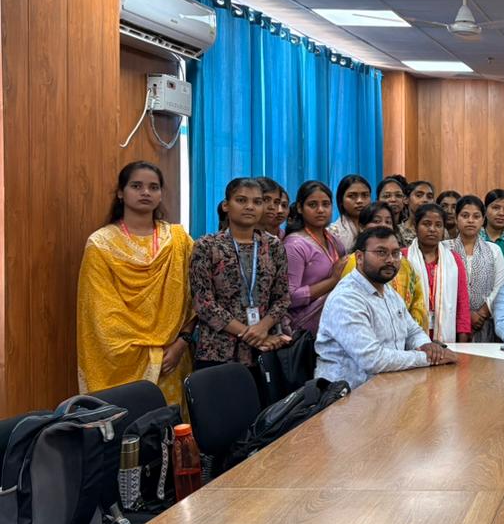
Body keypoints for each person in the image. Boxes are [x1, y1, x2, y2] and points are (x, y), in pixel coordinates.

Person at [77, 161, 195, 407]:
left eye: (153, 187)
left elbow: (195, 297)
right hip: (125, 361)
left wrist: (181, 343)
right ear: (121, 193)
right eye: (136, 186)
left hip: (173, 356)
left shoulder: (178, 240)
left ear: (161, 194)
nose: (145, 192)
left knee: (174, 424)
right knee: (132, 424)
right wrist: (151, 353)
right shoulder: (101, 244)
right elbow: (101, 313)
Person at [315, 226, 457, 390]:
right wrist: (428, 358)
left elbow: (413, 331)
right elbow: (372, 359)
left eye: (395, 253)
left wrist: (427, 346)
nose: (390, 260)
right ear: (359, 257)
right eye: (381, 253)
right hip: (348, 396)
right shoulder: (346, 298)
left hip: (388, 388)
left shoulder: (388, 292)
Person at [190, 178, 291, 368]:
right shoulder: (206, 245)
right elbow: (203, 303)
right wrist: (250, 334)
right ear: (226, 205)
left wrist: (262, 328)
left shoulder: (273, 246)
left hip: (265, 349)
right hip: (218, 351)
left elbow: (282, 298)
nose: (250, 207)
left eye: (257, 202)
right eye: (241, 200)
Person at [337, 202, 429, 330]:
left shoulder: (404, 264)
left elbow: (417, 301)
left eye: (388, 222)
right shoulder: (354, 261)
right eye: (376, 221)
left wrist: (408, 331)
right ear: (362, 227)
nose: (383, 225)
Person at [284, 180, 346, 336]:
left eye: (326, 204)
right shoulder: (294, 245)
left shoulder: (334, 241)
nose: (320, 210)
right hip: (305, 330)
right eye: (312, 205)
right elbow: (289, 298)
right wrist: (333, 280)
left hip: (335, 323)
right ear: (300, 208)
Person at [444, 194, 504, 342]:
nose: (470, 220)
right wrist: (465, 316)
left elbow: (499, 288)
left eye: (476, 216)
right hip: (451, 320)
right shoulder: (444, 249)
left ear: (483, 220)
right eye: (465, 216)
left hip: (484, 321)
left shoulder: (494, 250)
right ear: (456, 218)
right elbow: (442, 288)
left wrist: (481, 314)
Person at [407, 203, 472, 344]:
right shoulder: (404, 257)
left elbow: (462, 303)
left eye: (438, 225)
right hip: (410, 332)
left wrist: (463, 341)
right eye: (426, 224)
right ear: (415, 227)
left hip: (446, 333)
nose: (432, 229)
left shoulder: (454, 260)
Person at [328, 173, 371, 252]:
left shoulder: (376, 226)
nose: (360, 201)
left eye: (365, 195)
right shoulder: (333, 233)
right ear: (341, 200)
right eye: (352, 196)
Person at [377, 175, 412, 245]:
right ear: (378, 200)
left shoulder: (411, 229)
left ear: (405, 200)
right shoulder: (373, 227)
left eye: (398, 195)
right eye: (387, 196)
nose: (393, 200)